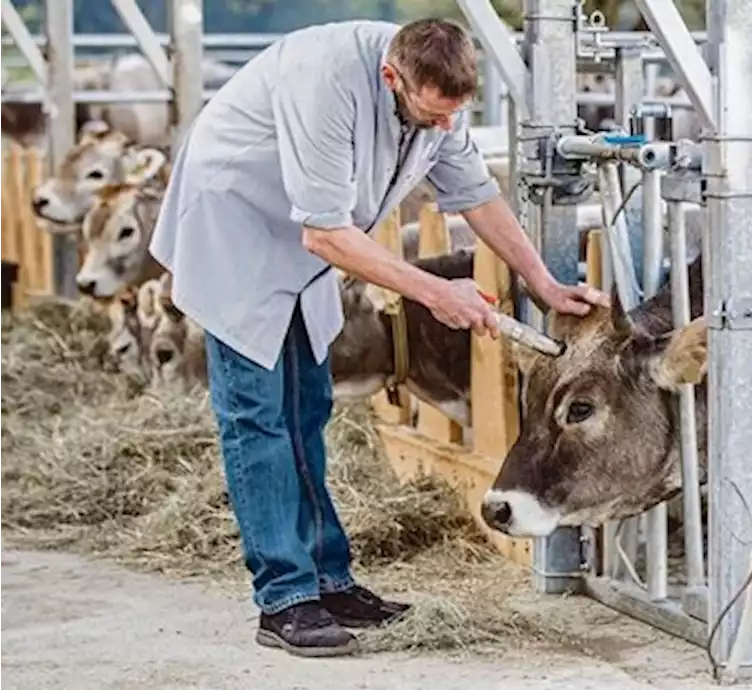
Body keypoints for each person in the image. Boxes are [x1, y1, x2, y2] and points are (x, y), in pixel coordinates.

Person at [149, 18, 606, 657]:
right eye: (431, 116)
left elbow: (475, 194)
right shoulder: (325, 83)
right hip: (236, 225)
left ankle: (330, 582)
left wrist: (544, 283)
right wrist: (436, 292)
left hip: (301, 241)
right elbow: (325, 233)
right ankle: (284, 598)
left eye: (454, 115)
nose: (444, 129)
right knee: (258, 417)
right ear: (393, 79)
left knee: (308, 407)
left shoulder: (435, 89)